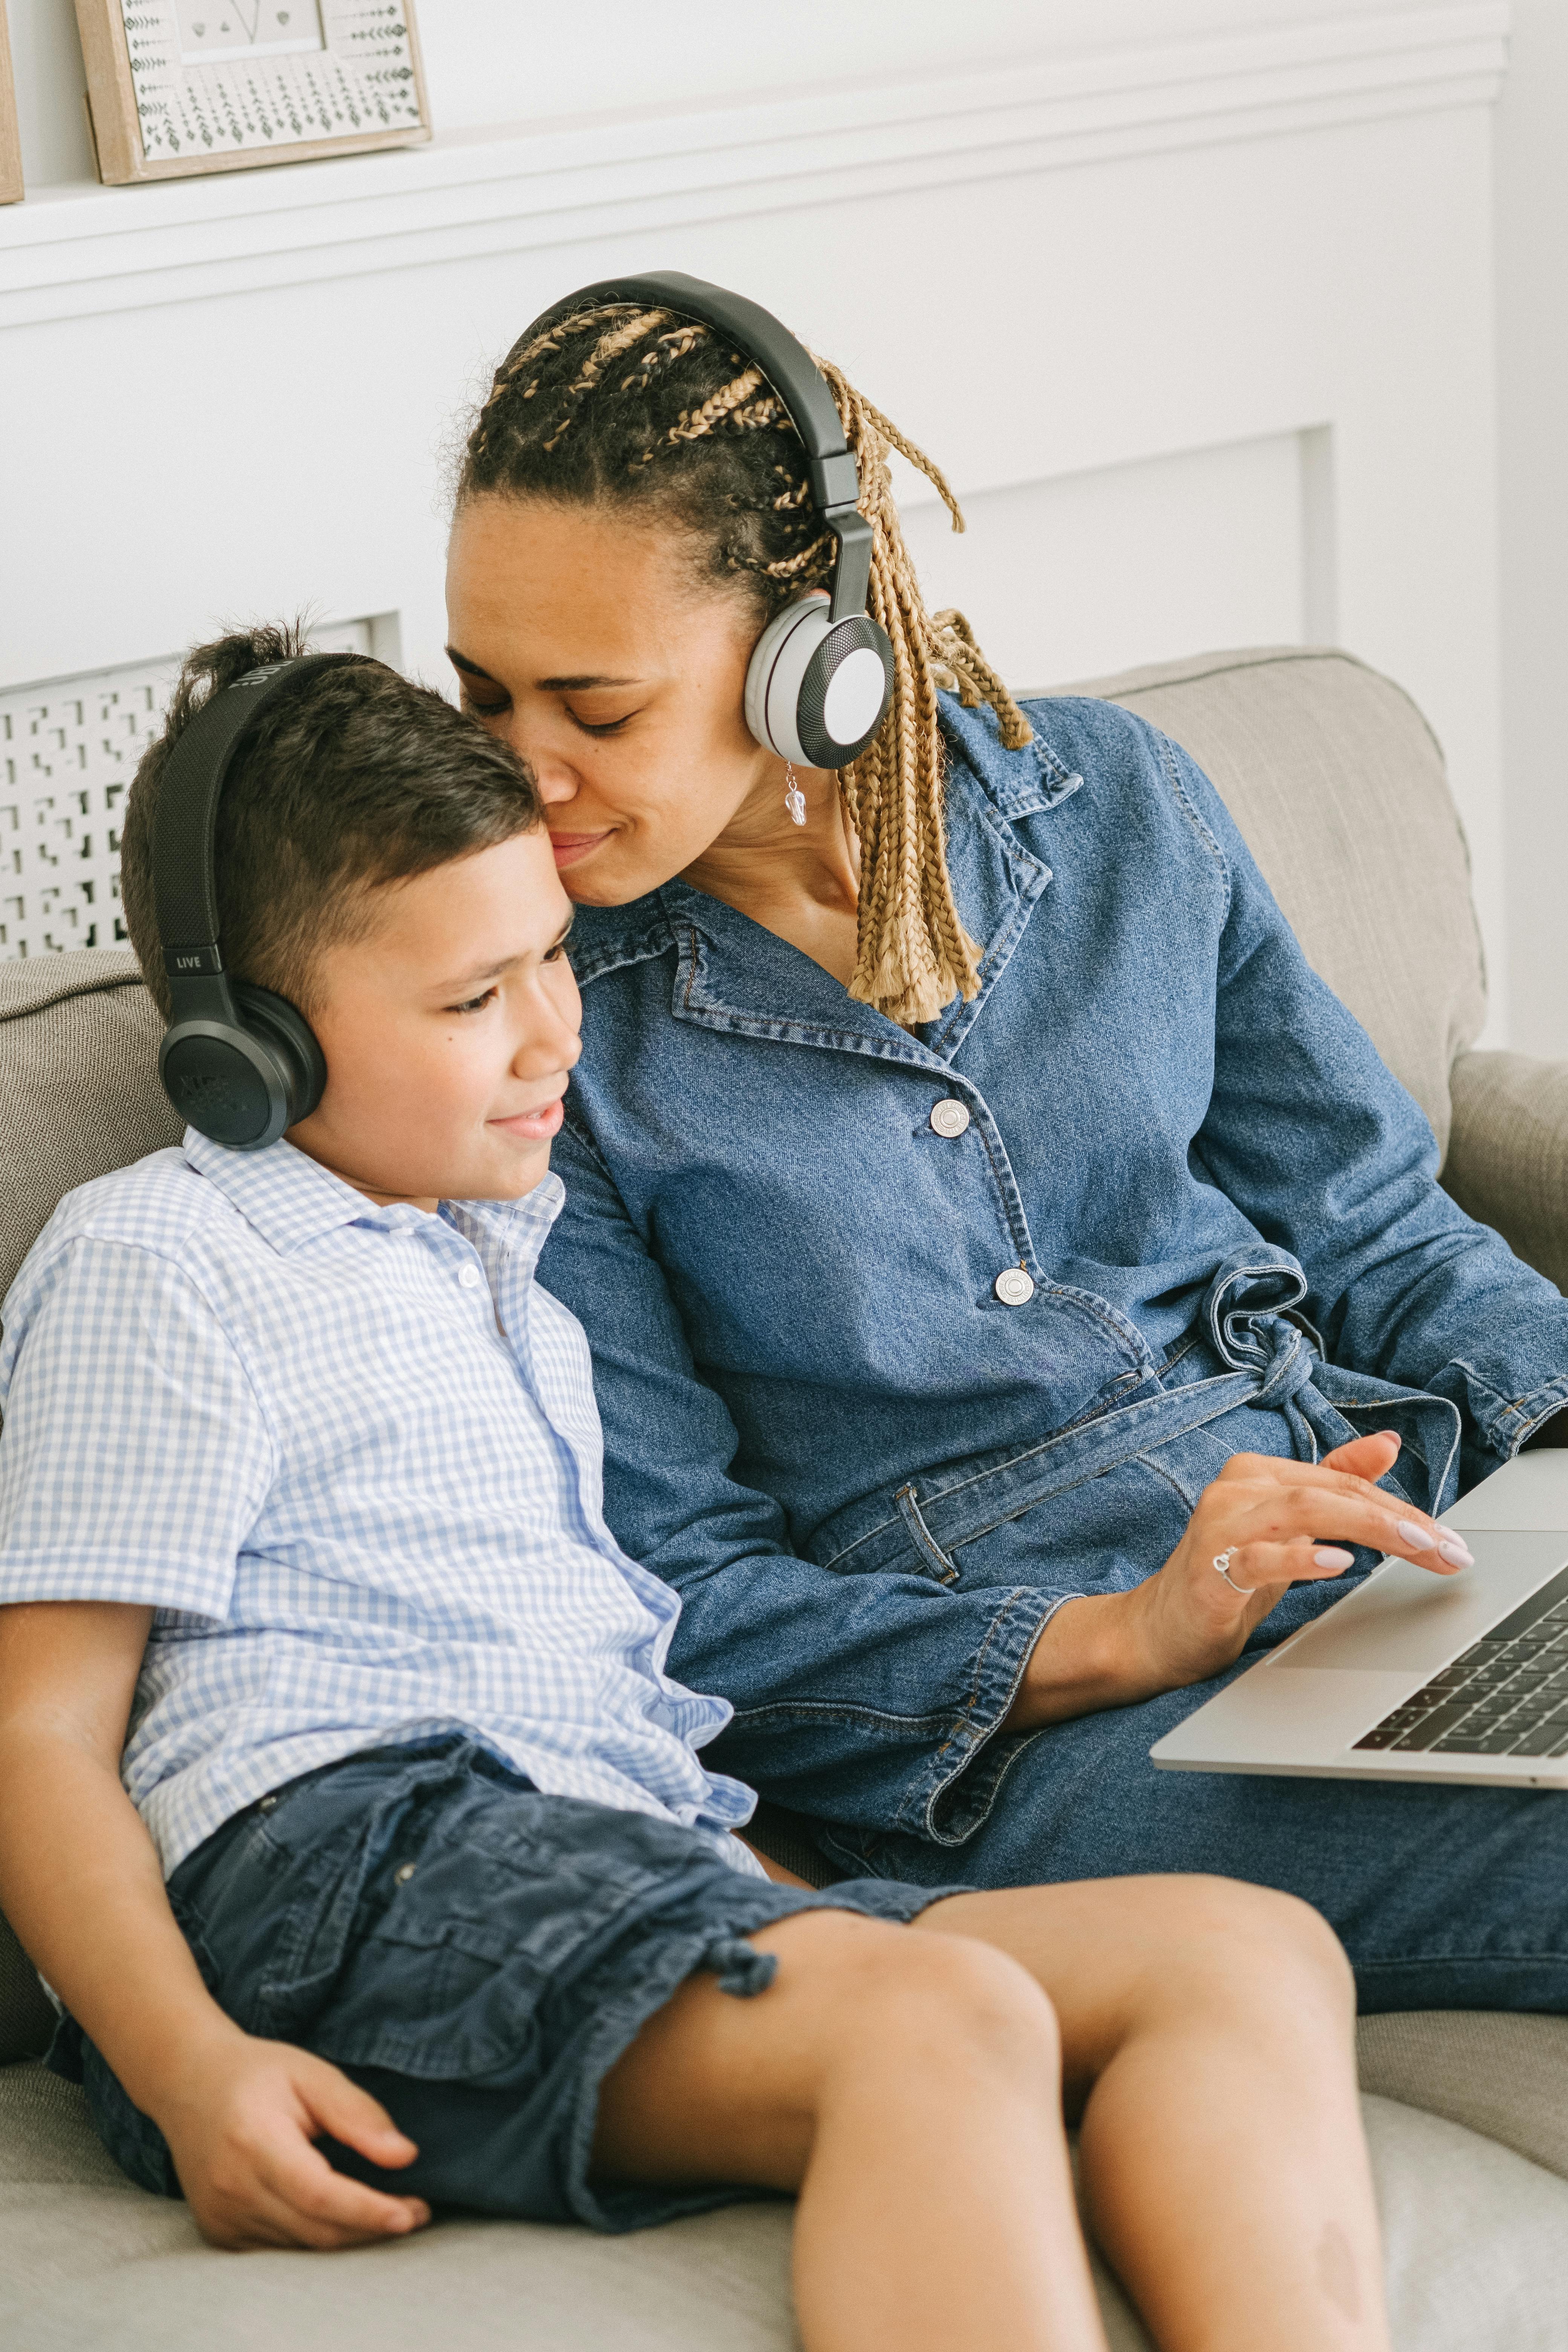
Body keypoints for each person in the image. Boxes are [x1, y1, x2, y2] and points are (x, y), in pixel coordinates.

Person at [0, 630, 1395, 2352]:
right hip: (339, 1867)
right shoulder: (163, 1251)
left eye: (550, 963)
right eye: (467, 1000)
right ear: (248, 1050)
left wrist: (787, 1903)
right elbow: (42, 1736)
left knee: (1243, 1956)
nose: (547, 1039)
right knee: (930, 2020)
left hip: (611, 1856)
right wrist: (186, 2064)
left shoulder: (498, 1261)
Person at [441, 283, 1568, 2000]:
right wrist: (1120, 1631)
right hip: (1041, 1738)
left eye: (593, 711)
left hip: (1369, 1554)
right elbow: (685, 1605)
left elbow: (1374, 1231)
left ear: (813, 659)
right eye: (484, 699)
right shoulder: (544, 1039)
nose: (526, 778)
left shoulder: (1115, 801)